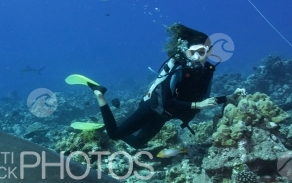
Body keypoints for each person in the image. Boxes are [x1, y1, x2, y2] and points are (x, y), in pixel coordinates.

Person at [88, 23, 244, 149]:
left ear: (208, 52)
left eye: (201, 52)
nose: (197, 58)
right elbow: (168, 101)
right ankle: (99, 94)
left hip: (165, 115)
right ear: (185, 52)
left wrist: (229, 97)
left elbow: (205, 99)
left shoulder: (207, 72)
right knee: (114, 134)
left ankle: (109, 126)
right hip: (153, 107)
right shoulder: (178, 69)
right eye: (192, 53)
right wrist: (198, 104)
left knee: (137, 144)